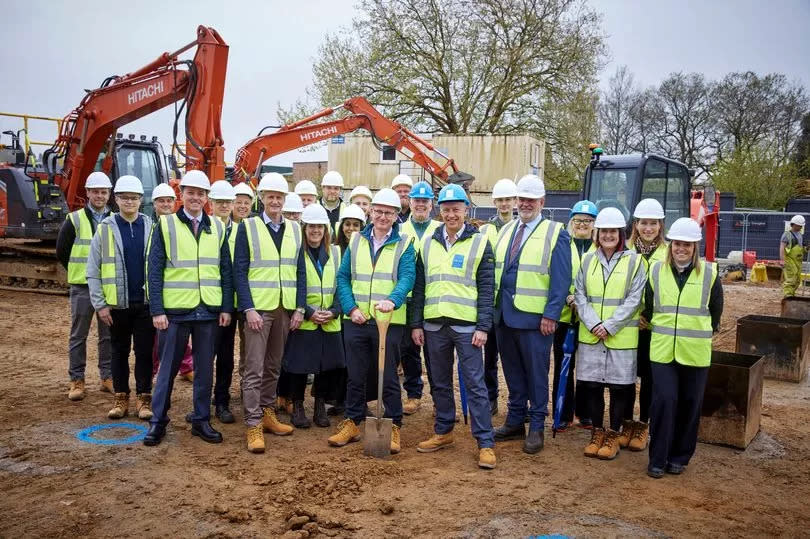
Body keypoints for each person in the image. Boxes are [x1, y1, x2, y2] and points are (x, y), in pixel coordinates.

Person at [143, 170, 233, 447]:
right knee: (168, 369)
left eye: (200, 193)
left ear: (207, 198)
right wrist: (157, 309)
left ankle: (201, 420)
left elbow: (225, 270)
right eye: (191, 192)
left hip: (207, 309)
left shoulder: (217, 227)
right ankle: (158, 421)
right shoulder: (166, 225)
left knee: (205, 369)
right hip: (175, 311)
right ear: (182, 195)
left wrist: (226, 307)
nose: (196, 197)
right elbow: (154, 270)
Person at [410, 184, 497, 469]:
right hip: (434, 326)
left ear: (466, 210)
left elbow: (487, 288)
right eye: (446, 209)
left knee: (475, 384)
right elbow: (420, 287)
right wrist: (416, 324)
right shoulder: (428, 242)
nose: (451, 214)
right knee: (440, 382)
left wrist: (483, 326)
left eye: (456, 209)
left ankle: (485, 442)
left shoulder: (480, 242)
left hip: (467, 328)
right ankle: (444, 430)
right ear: (440, 211)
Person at [329, 187, 416, 453]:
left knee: (388, 376)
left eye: (388, 212)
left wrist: (394, 299)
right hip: (356, 320)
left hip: (388, 322)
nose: (382, 216)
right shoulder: (356, 241)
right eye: (378, 211)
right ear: (370, 212)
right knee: (355, 376)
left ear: (396, 215)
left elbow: (407, 277)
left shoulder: (405, 244)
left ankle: (395, 425)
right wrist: (350, 307)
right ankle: (353, 421)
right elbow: (343, 277)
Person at [492, 174, 571, 454]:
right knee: (512, 372)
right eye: (521, 199)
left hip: (536, 320)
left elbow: (561, 280)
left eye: (530, 199)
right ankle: (515, 421)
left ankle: (537, 425)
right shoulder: (505, 231)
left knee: (537, 373)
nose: (525, 204)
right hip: (504, 316)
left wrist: (551, 314)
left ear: (542, 202)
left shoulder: (555, 232)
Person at [642, 217, 723, 478]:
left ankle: (679, 456)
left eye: (687, 245)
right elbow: (648, 306)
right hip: (663, 350)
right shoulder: (656, 272)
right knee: (664, 401)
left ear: (695, 247)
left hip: (695, 352)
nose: (681, 249)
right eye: (677, 244)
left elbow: (715, 312)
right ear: (670, 244)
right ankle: (658, 458)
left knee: (690, 404)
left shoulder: (710, 274)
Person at [233, 172, 300, 453]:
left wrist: (298, 307)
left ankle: (268, 412)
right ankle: (253, 423)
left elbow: (300, 270)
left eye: (279, 197)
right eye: (270, 196)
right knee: (254, 368)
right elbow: (239, 270)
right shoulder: (247, 228)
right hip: (259, 310)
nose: (275, 201)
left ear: (285, 200)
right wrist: (248, 308)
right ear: (261, 198)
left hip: (284, 307)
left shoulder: (296, 229)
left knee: (274, 365)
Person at [574, 207, 646, 460]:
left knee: (619, 389)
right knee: (592, 386)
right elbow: (580, 294)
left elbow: (635, 299)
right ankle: (597, 432)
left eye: (613, 231)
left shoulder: (635, 262)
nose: (608, 235)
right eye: (604, 230)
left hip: (620, 338)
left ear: (621, 234)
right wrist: (595, 324)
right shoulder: (587, 260)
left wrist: (610, 326)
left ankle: (613, 434)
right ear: (597, 233)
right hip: (592, 336)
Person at [86, 176, 154, 420]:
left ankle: (144, 399)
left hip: (145, 305)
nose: (129, 202)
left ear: (140, 201)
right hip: (117, 306)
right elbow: (92, 271)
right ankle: (121, 398)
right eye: (124, 197)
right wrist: (100, 304)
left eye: (134, 198)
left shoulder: (150, 226)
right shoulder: (105, 228)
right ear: (116, 200)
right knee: (119, 352)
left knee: (145, 353)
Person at [283, 204, 345, 428]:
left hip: (329, 320)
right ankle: (297, 406)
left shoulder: (336, 253)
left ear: (326, 229)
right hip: (305, 320)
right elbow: (292, 285)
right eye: (311, 226)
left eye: (320, 226)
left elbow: (342, 285)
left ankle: (320, 405)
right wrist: (308, 312)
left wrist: (335, 311)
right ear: (304, 228)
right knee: (299, 366)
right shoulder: (296, 253)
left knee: (326, 366)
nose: (315, 230)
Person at [56, 171, 113, 400]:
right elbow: (62, 251)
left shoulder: (115, 218)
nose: (99, 196)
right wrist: (81, 273)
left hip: (108, 287)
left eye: (104, 192)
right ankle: (77, 380)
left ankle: (106, 377)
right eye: (95, 191)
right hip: (82, 286)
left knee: (108, 335)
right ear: (88, 192)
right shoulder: (75, 219)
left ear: (109, 194)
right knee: (78, 335)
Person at [622, 198, 668, 450]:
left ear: (660, 226)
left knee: (650, 379)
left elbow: (665, 291)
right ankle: (627, 423)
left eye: (653, 223)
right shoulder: (626, 250)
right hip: (628, 326)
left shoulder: (667, 253)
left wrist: (648, 317)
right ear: (636, 225)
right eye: (643, 223)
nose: (648, 228)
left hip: (652, 328)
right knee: (626, 377)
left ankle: (643, 424)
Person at [554, 200, 597, 431]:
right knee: (563, 365)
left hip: (589, 318)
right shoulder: (563, 243)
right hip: (564, 315)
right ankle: (562, 412)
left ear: (594, 224)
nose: (583, 225)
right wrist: (567, 298)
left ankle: (585, 412)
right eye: (578, 220)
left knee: (588, 366)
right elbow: (555, 275)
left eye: (588, 221)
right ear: (571, 222)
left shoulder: (599, 248)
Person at [398, 181, 441, 415]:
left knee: (435, 351)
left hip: (433, 297)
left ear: (431, 204)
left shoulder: (440, 228)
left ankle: (439, 398)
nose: (421, 205)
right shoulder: (401, 229)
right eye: (417, 201)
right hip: (409, 298)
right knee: (409, 349)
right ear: (411, 203)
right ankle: (413, 394)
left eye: (425, 201)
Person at [478, 178, 518, 416]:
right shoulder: (485, 230)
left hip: (512, 304)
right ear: (494, 202)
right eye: (500, 200)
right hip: (489, 304)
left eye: (508, 200)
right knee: (488, 357)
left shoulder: (520, 228)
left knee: (512, 358)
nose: (504, 204)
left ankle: (516, 401)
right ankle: (490, 398)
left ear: (514, 201)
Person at [149, 183, 194, 383]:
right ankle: (152, 372)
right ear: (154, 204)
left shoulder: (178, 228)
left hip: (173, 294)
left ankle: (185, 367)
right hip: (151, 291)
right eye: (161, 201)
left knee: (175, 335)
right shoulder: (148, 226)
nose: (166, 204)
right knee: (152, 339)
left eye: (169, 201)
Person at [208, 180, 238, 424]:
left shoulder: (241, 230)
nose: (224, 206)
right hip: (208, 303)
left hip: (233, 304)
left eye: (228, 202)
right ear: (212, 203)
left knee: (226, 356)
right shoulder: (205, 228)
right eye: (220, 202)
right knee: (206, 355)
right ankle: (202, 400)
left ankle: (222, 400)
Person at [780, 215, 806, 297]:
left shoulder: (799, 234)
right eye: (799, 226)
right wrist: (782, 260)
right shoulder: (787, 234)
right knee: (791, 280)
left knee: (797, 281)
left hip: (798, 261)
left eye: (801, 226)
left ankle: (791, 295)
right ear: (793, 224)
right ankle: (788, 297)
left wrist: (806, 248)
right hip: (789, 260)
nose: (800, 227)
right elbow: (782, 247)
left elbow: (800, 249)